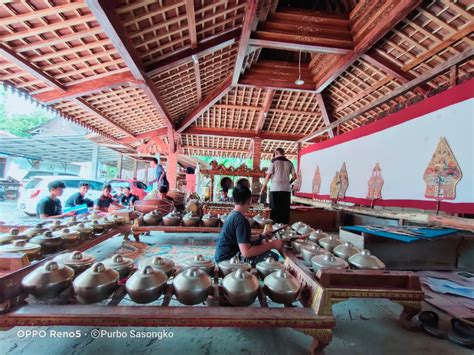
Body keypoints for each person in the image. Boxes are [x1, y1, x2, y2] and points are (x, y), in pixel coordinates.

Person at [214, 185, 283, 266]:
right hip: (228, 260)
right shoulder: (240, 220)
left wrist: (261, 236)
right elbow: (246, 252)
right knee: (271, 256)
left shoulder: (233, 214)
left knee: (259, 244)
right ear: (249, 200)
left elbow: (244, 239)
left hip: (222, 256)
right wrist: (272, 245)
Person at [260, 148, 296, 224]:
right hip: (286, 190)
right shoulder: (290, 163)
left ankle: (274, 229)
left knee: (274, 210)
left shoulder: (273, 162)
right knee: (284, 211)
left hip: (275, 189)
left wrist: (263, 188)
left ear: (276, 153)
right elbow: (294, 177)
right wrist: (288, 183)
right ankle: (284, 230)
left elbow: (268, 176)